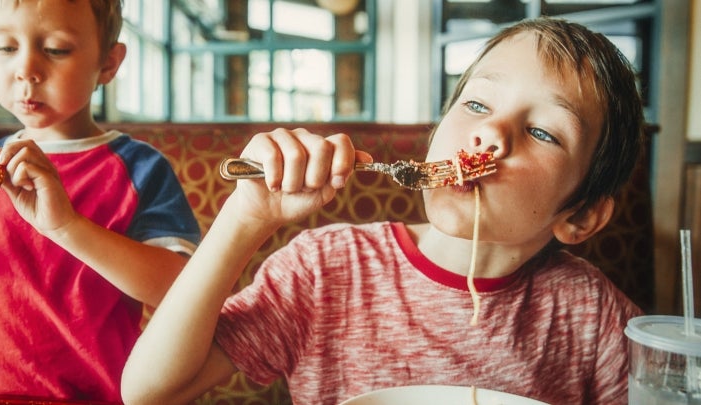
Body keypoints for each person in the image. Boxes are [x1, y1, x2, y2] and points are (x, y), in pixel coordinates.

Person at [121, 16, 645, 405]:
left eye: (542, 132)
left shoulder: (590, 313)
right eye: (477, 105)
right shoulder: (325, 270)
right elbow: (150, 390)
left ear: (580, 216)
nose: (489, 133)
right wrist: (245, 219)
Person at [0, 0, 201, 402]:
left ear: (108, 63)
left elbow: (180, 292)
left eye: (55, 49)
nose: (26, 70)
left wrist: (68, 227)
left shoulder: (140, 168)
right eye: (5, 48)